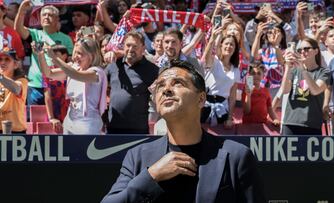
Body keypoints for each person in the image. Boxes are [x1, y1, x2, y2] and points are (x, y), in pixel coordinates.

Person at [101, 60, 265, 203]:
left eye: (177, 83)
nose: (166, 90)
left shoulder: (236, 157)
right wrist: (151, 176)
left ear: (201, 99)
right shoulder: (137, 157)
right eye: (160, 86)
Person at [34, 37, 107, 135]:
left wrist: (54, 58)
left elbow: (76, 75)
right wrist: (40, 54)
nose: (76, 56)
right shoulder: (73, 68)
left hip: (88, 124)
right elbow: (48, 73)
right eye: (75, 52)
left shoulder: (97, 72)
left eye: (80, 53)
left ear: (92, 56)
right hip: (70, 121)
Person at [15, 1, 73, 106]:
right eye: (44, 15)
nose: (46, 17)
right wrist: (22, 9)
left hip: (57, 86)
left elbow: (70, 63)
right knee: (35, 119)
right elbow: (18, 29)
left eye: (50, 15)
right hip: (35, 85)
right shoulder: (35, 34)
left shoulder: (66, 39)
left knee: (56, 120)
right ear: (40, 20)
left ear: (57, 19)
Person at [105, 31, 159, 134]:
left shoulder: (152, 70)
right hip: (113, 127)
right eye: (128, 45)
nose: (130, 49)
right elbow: (98, 82)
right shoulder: (113, 65)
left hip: (138, 130)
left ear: (143, 48)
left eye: (135, 46)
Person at [280, 37, 329, 135]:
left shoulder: (323, 72)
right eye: (299, 50)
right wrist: (287, 67)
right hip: (290, 122)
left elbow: (315, 90)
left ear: (316, 51)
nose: (302, 52)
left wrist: (303, 70)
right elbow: (285, 90)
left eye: (306, 49)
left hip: (312, 124)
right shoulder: (294, 70)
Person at [201, 28, 240, 128]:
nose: (229, 46)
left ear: (235, 49)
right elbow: (206, 57)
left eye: (232, 44)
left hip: (222, 110)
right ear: (221, 45)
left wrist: (230, 117)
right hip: (204, 107)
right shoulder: (214, 61)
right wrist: (212, 39)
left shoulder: (236, 70)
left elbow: (232, 97)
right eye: (226, 43)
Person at [0, 47, 27, 133]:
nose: (2, 62)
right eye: (0, 59)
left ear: (15, 65)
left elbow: (16, 89)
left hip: (16, 132)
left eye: (7, 59)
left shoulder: (22, 81)